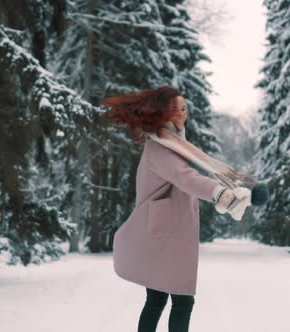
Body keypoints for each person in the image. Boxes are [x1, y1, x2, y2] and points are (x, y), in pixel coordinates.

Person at [101, 86, 246, 332]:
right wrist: (220, 194)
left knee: (160, 299)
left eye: (184, 108)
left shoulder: (174, 143)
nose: (181, 114)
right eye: (173, 109)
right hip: (164, 235)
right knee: (181, 300)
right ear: (160, 113)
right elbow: (186, 178)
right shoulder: (160, 146)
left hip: (167, 231)